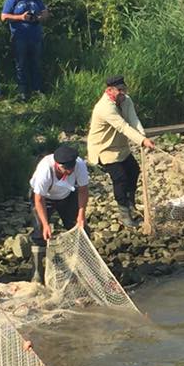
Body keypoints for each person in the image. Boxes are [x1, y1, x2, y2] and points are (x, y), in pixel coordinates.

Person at [86, 75, 155, 227]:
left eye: (124, 89)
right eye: (119, 90)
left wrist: (143, 136)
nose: (123, 93)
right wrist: (142, 141)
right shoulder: (104, 108)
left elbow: (133, 119)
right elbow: (123, 126)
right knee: (121, 179)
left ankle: (131, 204)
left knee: (134, 171)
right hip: (104, 149)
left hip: (121, 147)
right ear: (109, 91)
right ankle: (124, 214)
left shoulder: (126, 100)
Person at [28, 144, 89, 283]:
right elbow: (38, 199)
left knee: (81, 229)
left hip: (67, 195)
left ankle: (85, 269)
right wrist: (45, 224)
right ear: (57, 164)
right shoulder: (45, 170)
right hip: (45, 198)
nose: (69, 171)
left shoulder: (79, 165)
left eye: (71, 168)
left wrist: (81, 215)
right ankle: (37, 273)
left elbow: (83, 191)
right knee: (40, 232)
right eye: (65, 169)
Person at [1, 0, 49, 100]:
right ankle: (22, 91)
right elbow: (4, 16)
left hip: (35, 37)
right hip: (20, 37)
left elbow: (45, 13)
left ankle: (37, 89)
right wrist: (20, 17)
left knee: (36, 63)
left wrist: (38, 18)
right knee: (21, 64)